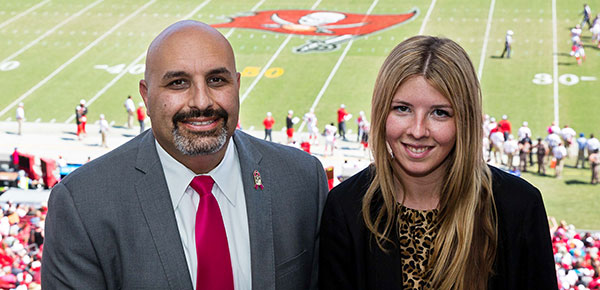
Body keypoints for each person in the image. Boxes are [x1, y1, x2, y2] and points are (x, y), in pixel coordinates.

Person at [42, 20, 328, 290]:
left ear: (238, 86)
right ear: (146, 95)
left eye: (217, 80)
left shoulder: (301, 180)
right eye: (178, 83)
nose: (201, 101)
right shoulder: (83, 204)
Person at [319, 36, 557, 290]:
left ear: (464, 120)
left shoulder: (517, 207)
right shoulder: (347, 207)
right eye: (402, 109)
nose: (418, 130)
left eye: (439, 113)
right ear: (381, 112)